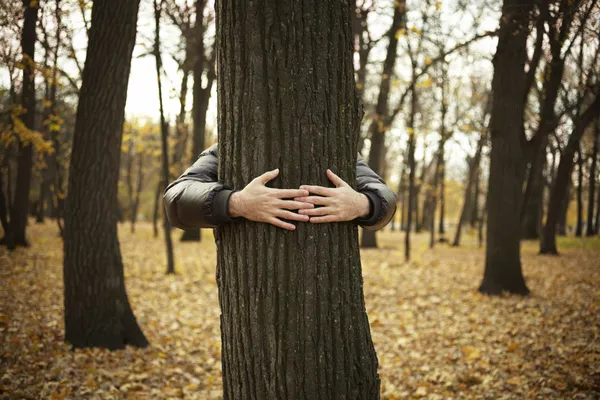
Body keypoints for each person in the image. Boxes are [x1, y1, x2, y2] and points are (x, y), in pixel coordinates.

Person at [164, 143, 396, 231]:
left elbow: (386, 197)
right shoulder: (227, 148)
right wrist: (236, 203)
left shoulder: (339, 151)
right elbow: (175, 200)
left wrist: (363, 204)